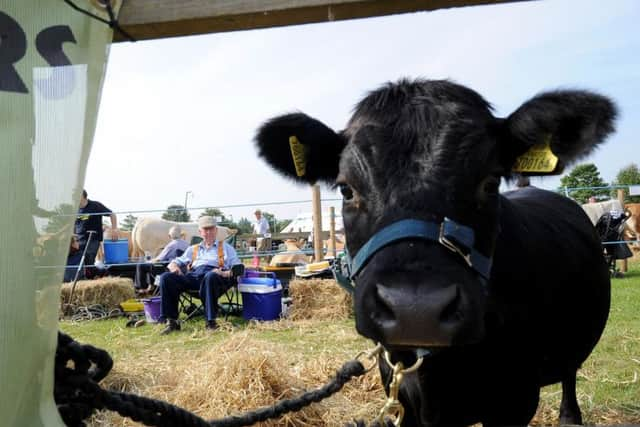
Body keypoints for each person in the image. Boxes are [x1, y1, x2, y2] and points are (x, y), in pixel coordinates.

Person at [157, 216, 241, 334]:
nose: (208, 232)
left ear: (216, 230)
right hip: (194, 277)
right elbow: (175, 262)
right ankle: (172, 322)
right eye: (205, 229)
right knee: (166, 278)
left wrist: (222, 272)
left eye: (211, 229)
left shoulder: (227, 248)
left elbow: (238, 269)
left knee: (210, 276)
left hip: (216, 277)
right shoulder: (192, 249)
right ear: (200, 232)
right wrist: (174, 266)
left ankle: (211, 323)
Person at [74, 189, 118, 278]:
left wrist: (114, 229)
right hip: (79, 240)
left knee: (88, 260)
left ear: (82, 196)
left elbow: (112, 214)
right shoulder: (76, 209)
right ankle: (98, 274)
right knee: (79, 261)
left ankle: (102, 273)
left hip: (93, 239)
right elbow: (74, 225)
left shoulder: (95, 205)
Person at [134, 225, 189, 293]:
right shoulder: (187, 244)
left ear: (169, 236)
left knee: (142, 265)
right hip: (183, 272)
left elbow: (158, 259)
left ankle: (141, 288)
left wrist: (149, 261)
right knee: (151, 267)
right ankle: (151, 287)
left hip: (168, 270)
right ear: (180, 234)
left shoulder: (171, 245)